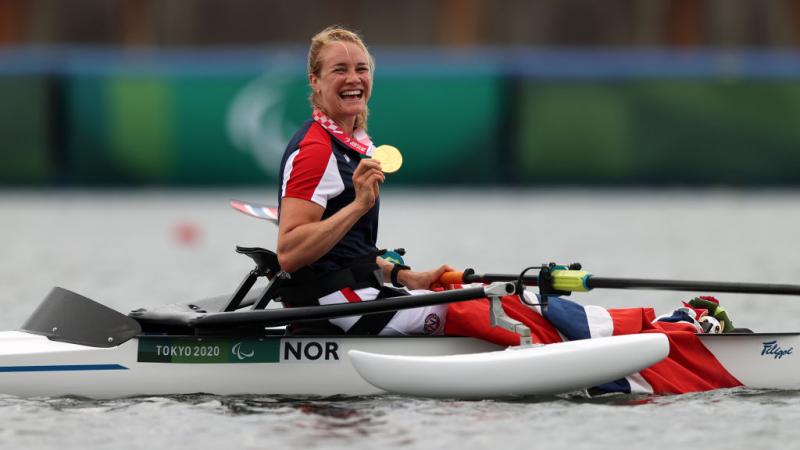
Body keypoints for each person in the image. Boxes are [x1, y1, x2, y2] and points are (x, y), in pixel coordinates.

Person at [276, 26, 451, 335]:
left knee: (502, 299)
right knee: (477, 308)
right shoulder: (316, 150)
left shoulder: (350, 142)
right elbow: (289, 253)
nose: (354, 79)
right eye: (339, 70)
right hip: (336, 304)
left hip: (353, 295)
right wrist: (358, 206)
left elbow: (344, 253)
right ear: (315, 82)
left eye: (361, 69)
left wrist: (408, 278)